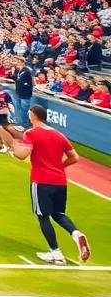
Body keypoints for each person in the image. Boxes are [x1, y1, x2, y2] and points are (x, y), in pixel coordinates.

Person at [9, 104, 91, 264]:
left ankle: (56, 252)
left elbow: (22, 155)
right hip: (59, 180)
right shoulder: (59, 134)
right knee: (58, 214)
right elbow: (74, 157)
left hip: (41, 180)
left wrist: (14, 147)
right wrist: (60, 167)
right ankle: (76, 234)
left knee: (43, 216)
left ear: (33, 115)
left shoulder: (31, 133)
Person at [13, 56, 34, 130]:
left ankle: (26, 125)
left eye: (18, 62)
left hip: (25, 94)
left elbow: (29, 83)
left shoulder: (27, 71)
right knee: (19, 109)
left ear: (22, 62)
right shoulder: (19, 70)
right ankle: (21, 123)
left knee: (24, 110)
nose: (16, 63)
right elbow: (16, 79)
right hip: (19, 92)